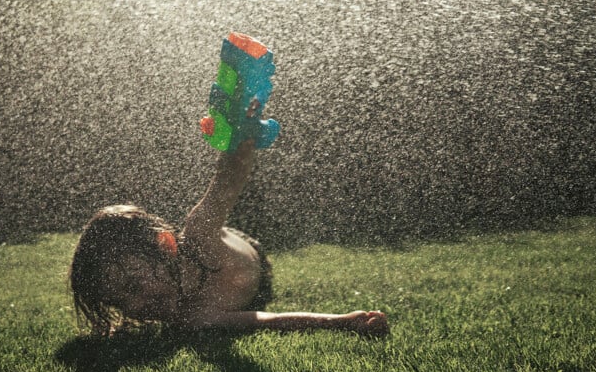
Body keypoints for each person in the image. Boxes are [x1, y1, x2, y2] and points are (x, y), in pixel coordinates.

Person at [70, 139, 389, 337]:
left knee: (202, 225)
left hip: (248, 254)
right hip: (246, 284)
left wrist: (242, 133)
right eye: (118, 302)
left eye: (133, 287)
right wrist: (341, 322)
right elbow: (268, 320)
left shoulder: (199, 236)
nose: (135, 306)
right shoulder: (193, 317)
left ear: (166, 245)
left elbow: (229, 178)